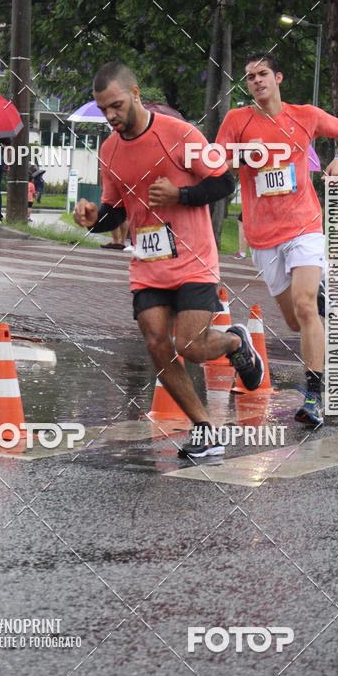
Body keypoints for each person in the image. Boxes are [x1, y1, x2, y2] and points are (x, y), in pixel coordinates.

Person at [73, 60, 264, 459]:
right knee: (157, 341)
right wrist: (94, 220)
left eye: (117, 105)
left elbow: (225, 181)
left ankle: (234, 341)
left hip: (194, 258)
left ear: (136, 93)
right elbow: (116, 211)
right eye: (103, 108)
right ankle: (205, 428)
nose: (111, 116)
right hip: (148, 261)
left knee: (190, 344)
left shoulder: (179, 134)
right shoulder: (109, 151)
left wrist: (181, 196)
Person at [217, 53, 338, 427]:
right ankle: (316, 297)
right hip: (262, 236)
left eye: (263, 73)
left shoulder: (305, 115)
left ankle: (314, 396)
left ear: (278, 77)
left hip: (304, 226)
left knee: (306, 306)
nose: (257, 81)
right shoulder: (236, 121)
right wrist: (238, 159)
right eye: (250, 77)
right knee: (296, 321)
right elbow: (220, 164)